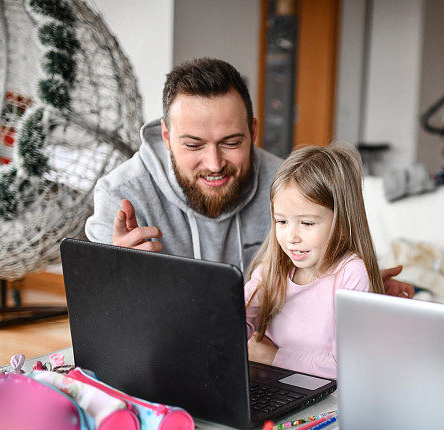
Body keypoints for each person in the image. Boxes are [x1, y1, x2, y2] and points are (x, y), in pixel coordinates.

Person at [84, 57, 411, 296]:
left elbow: (321, 274)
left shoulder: (286, 185)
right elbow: (100, 317)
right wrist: (120, 278)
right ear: (167, 137)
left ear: (253, 131)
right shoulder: (120, 196)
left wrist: (351, 289)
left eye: (231, 143)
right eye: (194, 144)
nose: (214, 164)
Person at [243, 143, 382, 379]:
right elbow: (235, 325)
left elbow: (343, 366)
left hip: (327, 398)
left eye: (307, 223)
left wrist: (272, 357)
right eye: (281, 221)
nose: (291, 238)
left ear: (342, 222)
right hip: (273, 385)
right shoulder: (273, 268)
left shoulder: (351, 273)